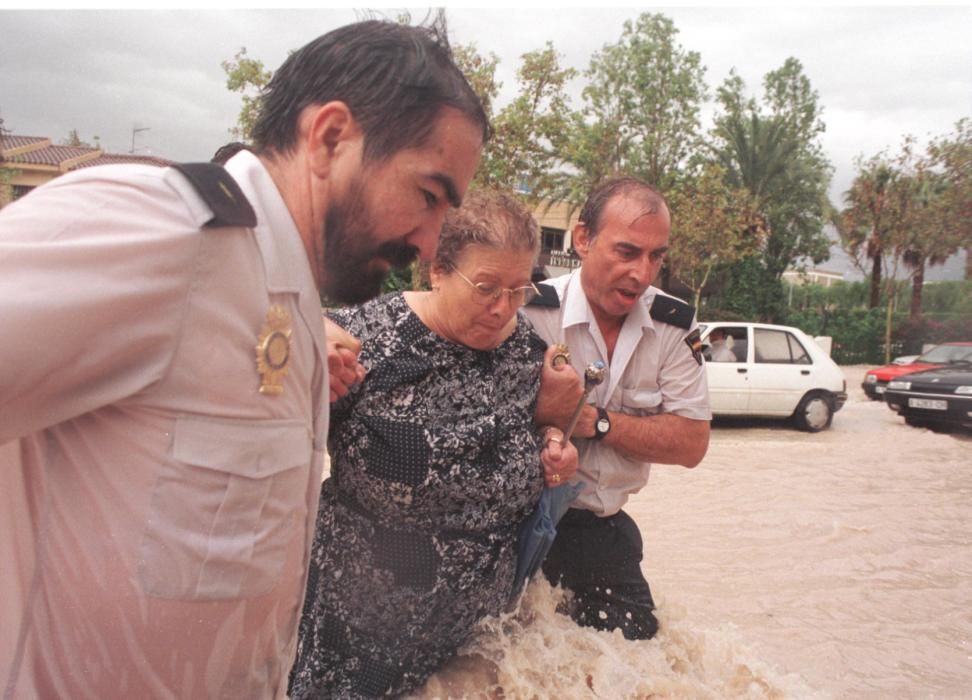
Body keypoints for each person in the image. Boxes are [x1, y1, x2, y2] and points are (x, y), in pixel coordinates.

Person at [0, 17, 487, 698]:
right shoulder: (166, 235)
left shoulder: (286, 304)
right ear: (331, 138)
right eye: (428, 197)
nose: (433, 243)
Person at [288, 190, 578, 699]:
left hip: (472, 646)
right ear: (437, 271)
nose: (502, 308)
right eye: (487, 287)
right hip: (353, 637)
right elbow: (270, 434)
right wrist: (304, 341)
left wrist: (555, 439)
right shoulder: (360, 341)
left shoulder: (528, 352)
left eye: (518, 290)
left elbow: (542, 435)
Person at [523, 177, 711, 641]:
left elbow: (692, 444)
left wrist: (595, 422)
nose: (643, 274)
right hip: (514, 526)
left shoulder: (675, 326)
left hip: (603, 534)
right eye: (627, 252)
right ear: (583, 239)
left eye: (656, 256)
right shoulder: (528, 312)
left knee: (641, 662)